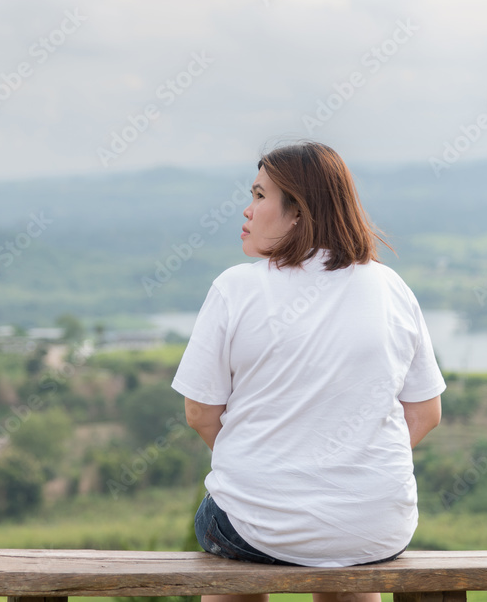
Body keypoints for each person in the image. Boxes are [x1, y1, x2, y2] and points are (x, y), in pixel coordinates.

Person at [171, 141, 445, 602]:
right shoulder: (391, 287)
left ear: (297, 211)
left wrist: (266, 461)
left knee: (230, 540)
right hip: (377, 528)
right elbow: (426, 413)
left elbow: (200, 412)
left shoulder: (235, 288)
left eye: (260, 196)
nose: (247, 209)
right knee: (350, 562)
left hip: (254, 526)